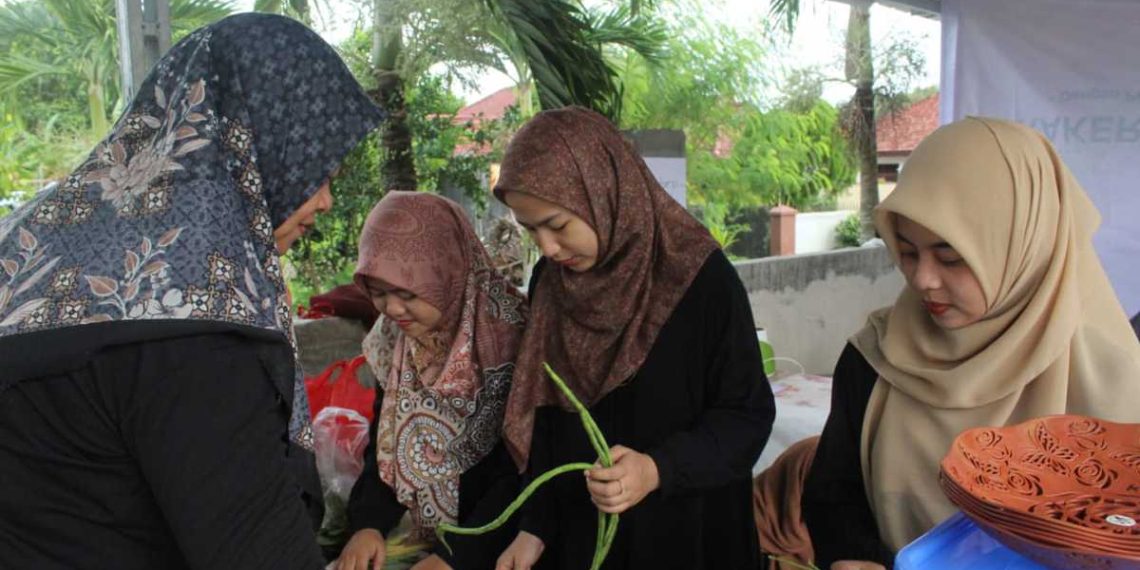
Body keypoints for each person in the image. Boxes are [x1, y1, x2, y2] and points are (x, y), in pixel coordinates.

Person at [0, 13, 384, 569]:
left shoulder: (32, 248)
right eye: (314, 167)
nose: (323, 200)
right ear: (257, 145)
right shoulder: (197, 322)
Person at [801, 117, 1140, 570]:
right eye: (906, 251)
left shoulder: (1117, 381)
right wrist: (850, 556)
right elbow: (835, 494)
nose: (923, 279)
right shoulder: (876, 359)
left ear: (1024, 248)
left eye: (950, 257)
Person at [490, 107, 776, 570]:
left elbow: (746, 416)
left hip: (690, 537)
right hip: (586, 542)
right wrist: (535, 527)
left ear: (604, 193)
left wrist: (657, 469)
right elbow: (547, 413)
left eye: (558, 225)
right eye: (531, 230)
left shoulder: (699, 280)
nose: (546, 247)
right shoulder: (552, 284)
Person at [336, 192, 527, 570]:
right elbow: (385, 446)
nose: (391, 309)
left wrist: (455, 558)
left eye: (407, 293)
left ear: (449, 275)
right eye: (377, 293)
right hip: (426, 544)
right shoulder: (394, 338)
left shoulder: (513, 341)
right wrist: (368, 526)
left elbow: (520, 474)